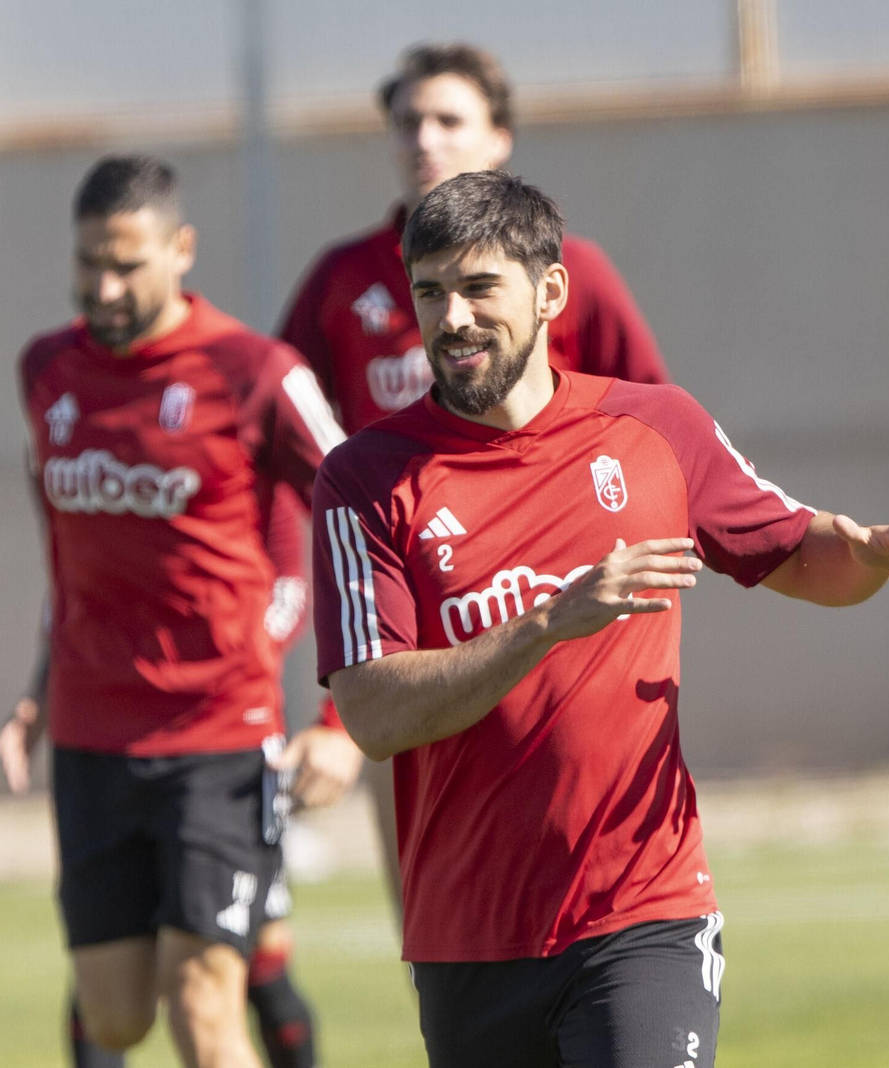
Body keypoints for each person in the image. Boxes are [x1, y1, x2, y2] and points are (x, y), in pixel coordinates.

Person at [310, 171, 889, 1068]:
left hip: (641, 912)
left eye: (478, 286)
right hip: (468, 939)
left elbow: (803, 557)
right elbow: (376, 715)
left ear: (550, 292)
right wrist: (547, 623)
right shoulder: (364, 478)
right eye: (431, 292)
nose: (452, 317)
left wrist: (876, 555)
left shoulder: (653, 429)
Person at [279, 41, 671, 913]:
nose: (425, 138)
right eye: (408, 121)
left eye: (449, 119)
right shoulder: (342, 283)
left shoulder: (574, 275)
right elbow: (281, 457)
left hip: (564, 627)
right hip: (415, 631)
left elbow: (658, 433)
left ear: (500, 139)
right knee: (439, 913)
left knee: (599, 901)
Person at [0, 154, 358, 1068]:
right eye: (88, 264)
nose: (105, 286)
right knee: (116, 1019)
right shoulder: (45, 371)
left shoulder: (256, 372)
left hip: (219, 736)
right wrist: (37, 697)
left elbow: (364, 516)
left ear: (182, 249)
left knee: (206, 1007)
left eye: (127, 262)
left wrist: (343, 716)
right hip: (90, 737)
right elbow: (68, 563)